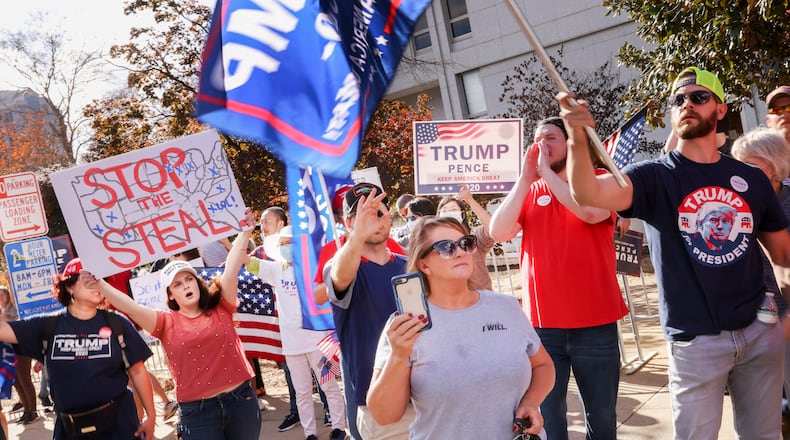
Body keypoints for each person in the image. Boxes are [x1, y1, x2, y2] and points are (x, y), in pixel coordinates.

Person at [559, 66, 790, 439]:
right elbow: (589, 194)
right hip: (695, 342)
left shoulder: (750, 178)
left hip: (759, 332)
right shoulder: (654, 176)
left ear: (720, 109)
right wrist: (576, 139)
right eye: (678, 100)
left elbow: (783, 254)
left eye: (698, 97)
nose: (686, 104)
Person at [489, 116, 628, 439]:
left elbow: (590, 212)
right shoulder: (531, 189)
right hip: (543, 328)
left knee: (602, 415)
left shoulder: (599, 179)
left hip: (596, 324)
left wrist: (548, 174)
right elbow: (498, 232)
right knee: (549, 418)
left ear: (571, 144)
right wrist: (525, 180)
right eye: (537, 139)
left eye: (550, 137)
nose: (541, 145)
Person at [366, 216, 555, 439]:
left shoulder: (507, 307)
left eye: (466, 243)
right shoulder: (405, 326)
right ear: (424, 265)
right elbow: (383, 415)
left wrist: (531, 402)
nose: (460, 252)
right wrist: (398, 356)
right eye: (446, 247)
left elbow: (543, 365)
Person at [96, 208, 262, 439]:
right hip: (198, 414)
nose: (186, 286)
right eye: (177, 284)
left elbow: (232, 269)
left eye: (189, 279)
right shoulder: (164, 321)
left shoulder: (221, 305)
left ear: (197, 282)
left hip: (241, 402)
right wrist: (101, 285)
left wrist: (244, 233)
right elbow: (130, 307)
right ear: (171, 294)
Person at [0, 258, 155, 439]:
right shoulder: (47, 326)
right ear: (69, 287)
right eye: (86, 279)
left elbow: (138, 372)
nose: (94, 284)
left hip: (119, 426)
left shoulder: (117, 323)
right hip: (71, 429)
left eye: (98, 279)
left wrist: (151, 416)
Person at [324, 182, 413, 439]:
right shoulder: (340, 266)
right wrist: (357, 237)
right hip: (381, 408)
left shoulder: (410, 265)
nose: (374, 220)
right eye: (363, 214)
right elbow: (340, 275)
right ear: (349, 223)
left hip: (425, 398)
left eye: (379, 212)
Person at [246, 225, 347, 440]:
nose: (285, 248)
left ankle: (339, 427)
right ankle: (310, 433)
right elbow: (245, 261)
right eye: (282, 244)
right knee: (302, 392)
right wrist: (232, 240)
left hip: (319, 341)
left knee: (328, 386)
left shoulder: (316, 268)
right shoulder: (276, 269)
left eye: (289, 243)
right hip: (292, 344)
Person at [730, 126, 790, 427]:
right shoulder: (735, 205)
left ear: (775, 163)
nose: (744, 173)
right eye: (740, 164)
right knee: (762, 412)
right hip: (754, 323)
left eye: (751, 164)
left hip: (787, 317)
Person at [436, 184, 496, 290]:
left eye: (453, 209)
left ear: (462, 214)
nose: (449, 213)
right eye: (444, 210)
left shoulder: (474, 238)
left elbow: (492, 228)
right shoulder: (434, 242)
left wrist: (470, 201)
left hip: (480, 297)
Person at [0, 284, 38, 426]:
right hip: (7, 349)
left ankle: (32, 411)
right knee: (15, 380)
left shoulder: (14, 308)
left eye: (3, 294)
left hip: (21, 347)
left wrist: (10, 280)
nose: (0, 296)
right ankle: (26, 409)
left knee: (24, 378)